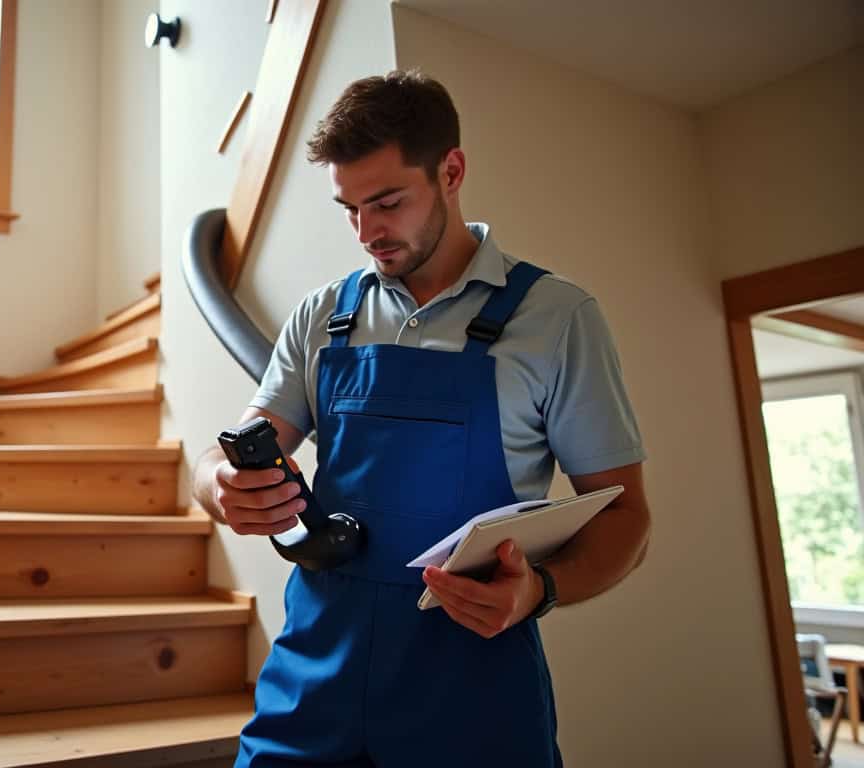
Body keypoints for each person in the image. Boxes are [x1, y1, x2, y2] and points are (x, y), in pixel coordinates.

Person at [190, 70, 652, 767]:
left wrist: (543, 589)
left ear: (451, 171)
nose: (366, 232)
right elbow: (216, 463)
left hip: (474, 687)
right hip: (314, 673)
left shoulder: (557, 319)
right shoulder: (322, 316)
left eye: (386, 202)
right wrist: (222, 486)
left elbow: (626, 517)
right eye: (349, 209)